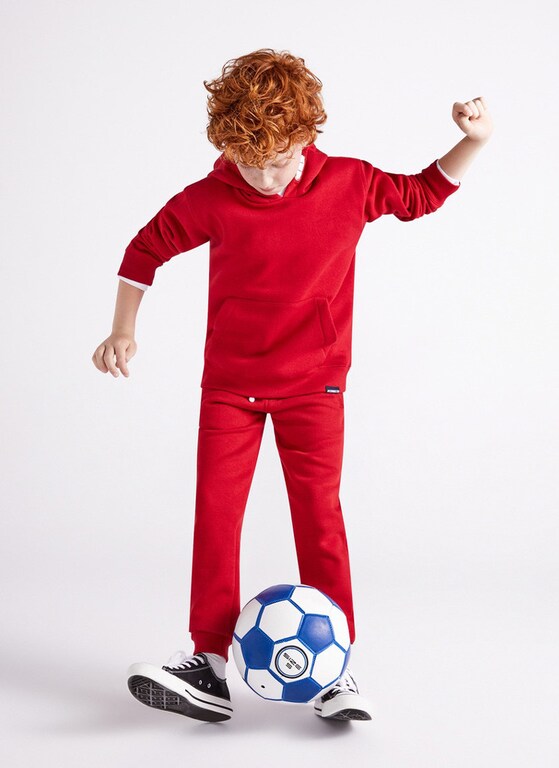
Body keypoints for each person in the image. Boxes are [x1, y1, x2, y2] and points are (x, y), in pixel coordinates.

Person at [91, 48, 493, 723]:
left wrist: (472, 141)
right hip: (230, 389)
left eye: (277, 160)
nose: (265, 178)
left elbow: (421, 194)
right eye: (248, 163)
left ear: (306, 136)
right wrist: (122, 329)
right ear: (227, 148)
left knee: (319, 520)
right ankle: (208, 665)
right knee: (216, 517)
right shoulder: (211, 197)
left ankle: (336, 671)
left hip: (315, 388)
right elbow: (144, 250)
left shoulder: (351, 182)